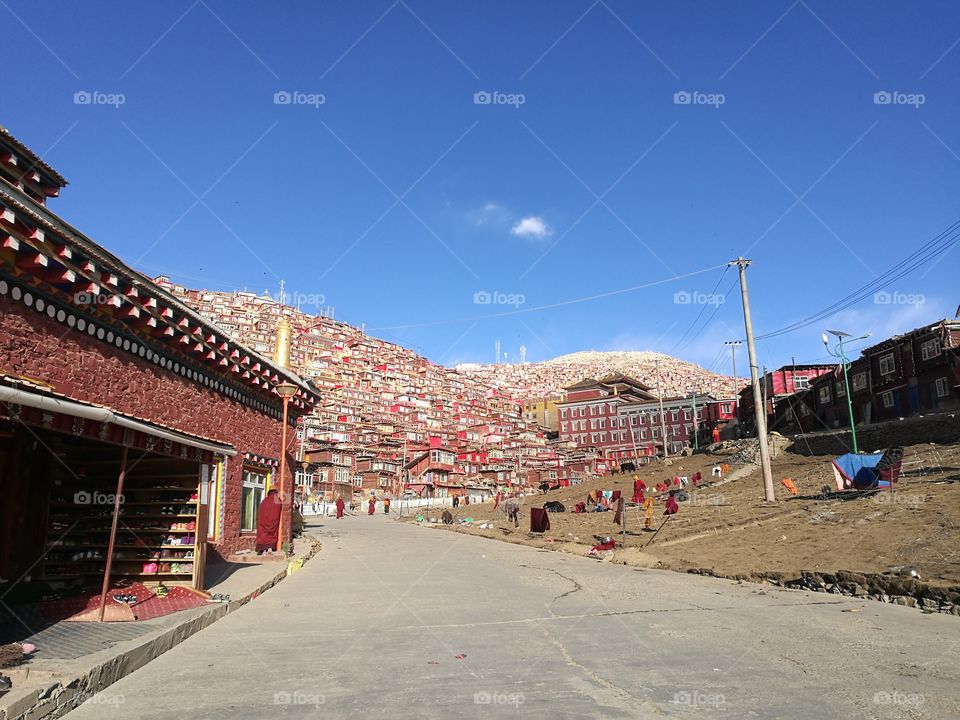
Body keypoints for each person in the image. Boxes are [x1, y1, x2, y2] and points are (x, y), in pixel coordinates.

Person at [256, 489, 282, 554]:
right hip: (273, 522)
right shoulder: (277, 500)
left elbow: (260, 512)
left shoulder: (264, 500)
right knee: (272, 534)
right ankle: (270, 548)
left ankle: (264, 550)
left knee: (263, 534)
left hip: (263, 522)